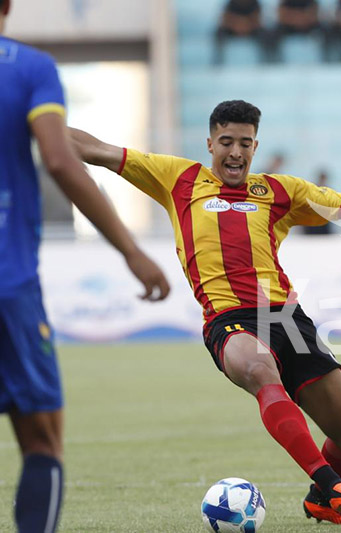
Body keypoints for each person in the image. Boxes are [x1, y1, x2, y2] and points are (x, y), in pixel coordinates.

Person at [70, 100, 341, 526]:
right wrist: (39, 124)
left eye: (244, 143)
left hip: (287, 320)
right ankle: (332, 486)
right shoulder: (177, 177)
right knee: (260, 369)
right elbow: (99, 150)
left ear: (255, 145)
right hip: (228, 320)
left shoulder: (279, 190)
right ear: (209, 143)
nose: (235, 152)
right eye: (225, 142)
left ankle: (319, 501)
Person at [0, 1, 171, 531]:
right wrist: (131, 249)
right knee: (43, 441)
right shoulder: (30, 68)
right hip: (9, 283)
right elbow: (58, 158)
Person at [213, 0, 269, 66]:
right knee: (219, 32)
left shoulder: (255, 3)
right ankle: (217, 62)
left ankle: (266, 61)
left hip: (250, 28)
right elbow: (225, 18)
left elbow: (258, 19)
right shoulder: (231, 3)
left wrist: (246, 25)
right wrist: (237, 25)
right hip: (233, 29)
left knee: (264, 33)